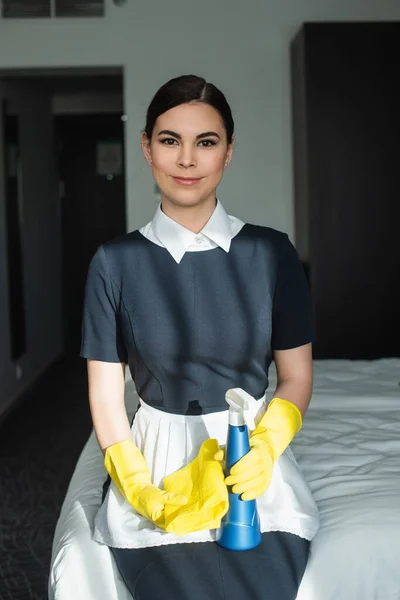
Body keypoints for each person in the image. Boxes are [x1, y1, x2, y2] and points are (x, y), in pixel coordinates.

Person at [80, 74, 320, 600]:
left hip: (253, 459)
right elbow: (104, 392)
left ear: (228, 153)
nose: (187, 160)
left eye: (205, 142)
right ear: (147, 148)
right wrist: (136, 484)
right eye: (170, 140)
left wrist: (267, 446)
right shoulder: (113, 263)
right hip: (156, 460)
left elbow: (296, 375)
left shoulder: (272, 253)